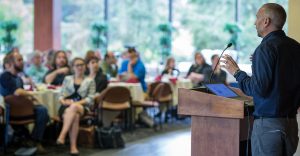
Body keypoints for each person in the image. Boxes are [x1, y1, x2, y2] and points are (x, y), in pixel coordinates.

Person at [221, 3, 300, 156]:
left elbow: (258, 90)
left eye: (257, 18)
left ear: (266, 21)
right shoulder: (296, 47)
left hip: (269, 127)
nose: (254, 23)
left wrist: (237, 72)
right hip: (291, 125)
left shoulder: (265, 48)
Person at [0, 52, 49, 153]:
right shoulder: (5, 76)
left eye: (22, 59)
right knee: (40, 109)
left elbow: (23, 95)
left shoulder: (18, 78)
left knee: (43, 110)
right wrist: (32, 96)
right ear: (9, 63)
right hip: (10, 109)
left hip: (23, 107)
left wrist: (33, 101)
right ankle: (27, 139)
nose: (22, 62)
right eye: (19, 60)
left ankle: (35, 140)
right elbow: (17, 92)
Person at [56, 58, 95, 155]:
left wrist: (76, 103)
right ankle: (73, 147)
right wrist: (63, 102)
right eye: (77, 65)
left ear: (85, 66)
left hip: (82, 106)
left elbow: (90, 98)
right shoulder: (67, 79)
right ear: (73, 67)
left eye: (82, 64)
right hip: (66, 107)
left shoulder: (90, 81)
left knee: (74, 107)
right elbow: (61, 95)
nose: (80, 67)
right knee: (75, 116)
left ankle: (62, 135)